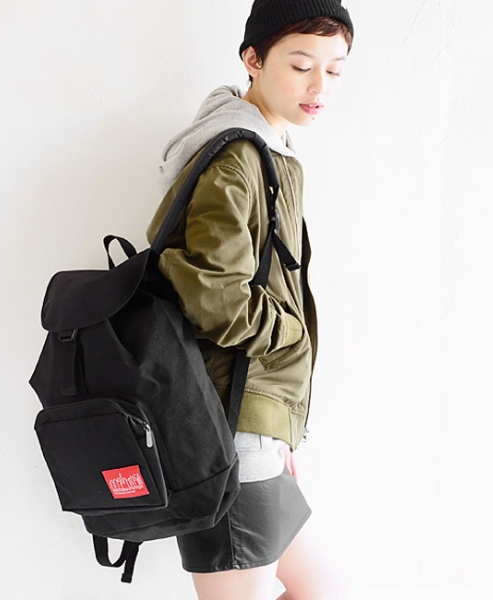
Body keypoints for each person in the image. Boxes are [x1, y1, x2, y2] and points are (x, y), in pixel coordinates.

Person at [147, 1, 354, 598]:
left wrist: (278, 427)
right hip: (232, 423)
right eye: (301, 65)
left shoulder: (271, 152)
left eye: (334, 70)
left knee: (320, 589)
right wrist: (292, 334)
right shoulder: (238, 158)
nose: (319, 87)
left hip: (256, 422)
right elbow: (217, 296)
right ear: (253, 59)